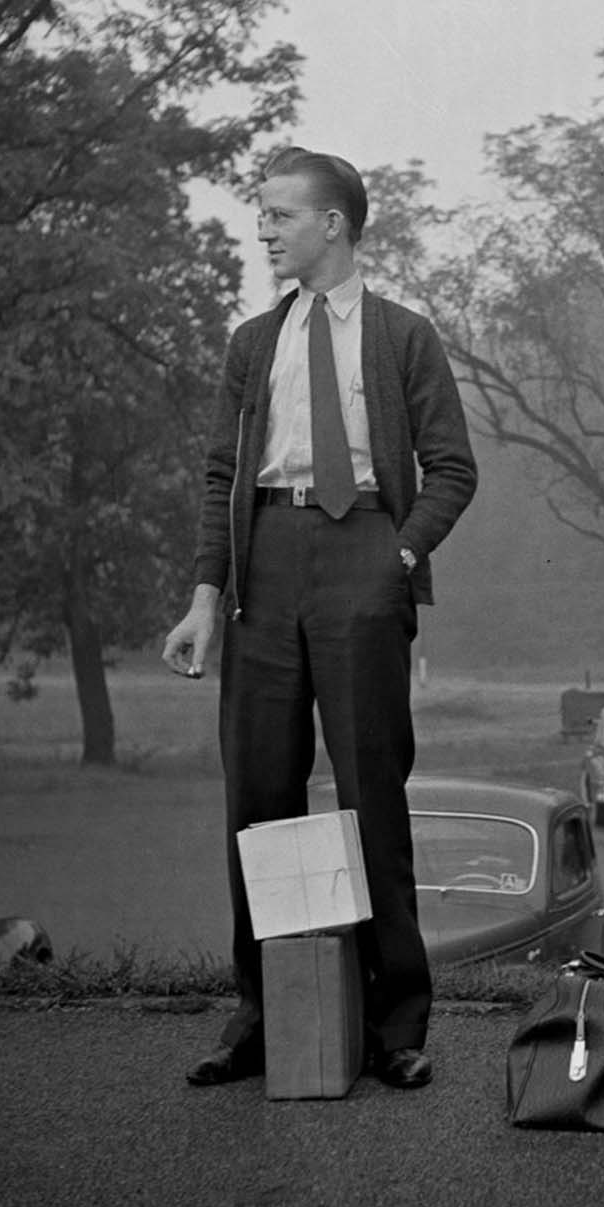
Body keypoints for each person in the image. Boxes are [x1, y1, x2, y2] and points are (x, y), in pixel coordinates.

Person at [163, 148, 476, 1089]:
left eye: (277, 215)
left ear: (332, 223)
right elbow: (224, 477)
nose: (262, 230)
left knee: (369, 794)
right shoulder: (253, 342)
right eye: (261, 215)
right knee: (257, 798)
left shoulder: (403, 335)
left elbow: (453, 468)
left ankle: (396, 1023)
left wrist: (400, 557)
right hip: (265, 560)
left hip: (365, 555)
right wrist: (205, 598)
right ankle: (262, 1012)